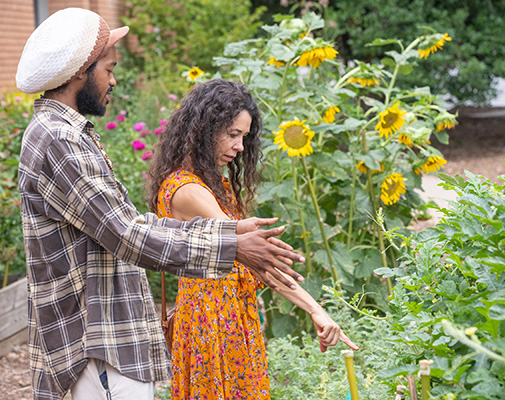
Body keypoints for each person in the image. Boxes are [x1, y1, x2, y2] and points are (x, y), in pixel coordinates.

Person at [15, 8, 305, 400]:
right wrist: (232, 246)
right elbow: (127, 235)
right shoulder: (60, 140)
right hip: (94, 340)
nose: (113, 81)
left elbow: (129, 221)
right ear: (81, 71)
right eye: (109, 69)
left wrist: (228, 230)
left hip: (106, 337)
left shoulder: (67, 134)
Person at [146, 79, 358, 400]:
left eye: (244, 137)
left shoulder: (211, 184)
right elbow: (255, 257)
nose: (241, 147)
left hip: (232, 320)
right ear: (204, 129)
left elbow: (255, 261)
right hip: (214, 328)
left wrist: (316, 310)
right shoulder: (188, 191)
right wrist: (315, 309)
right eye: (232, 135)